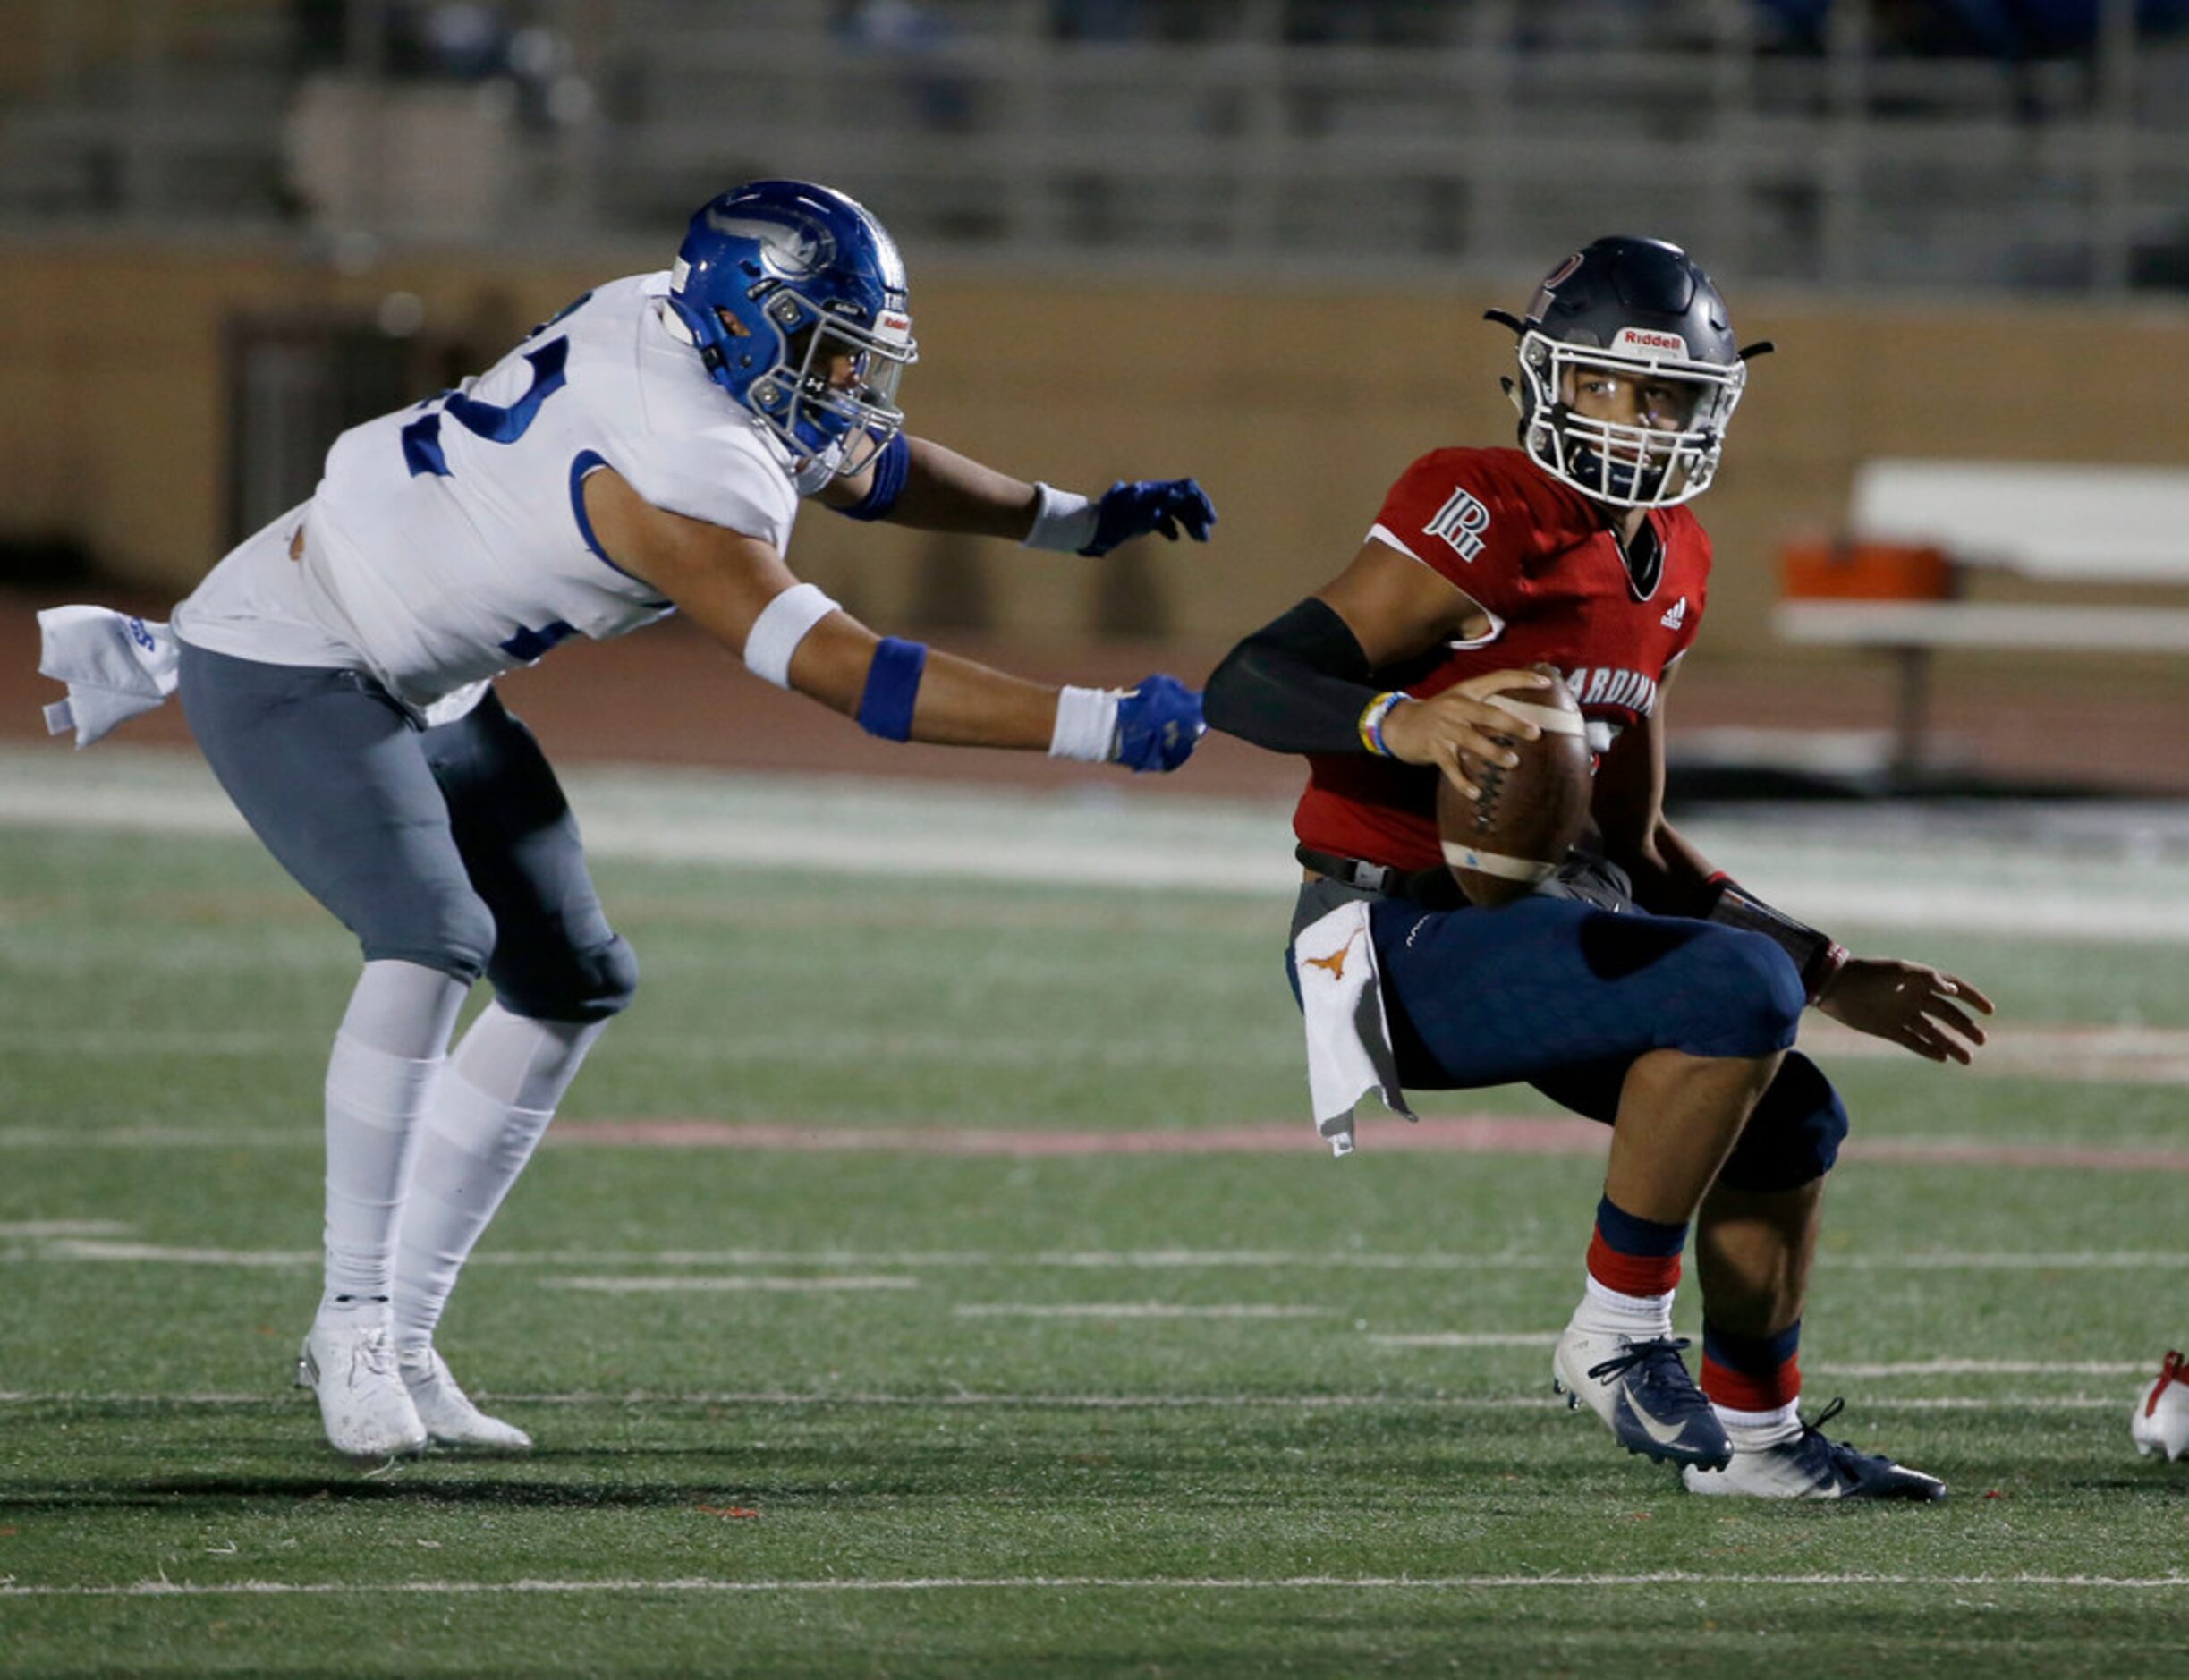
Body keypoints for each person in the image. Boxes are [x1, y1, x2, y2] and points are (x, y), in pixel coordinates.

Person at [37, 179, 1215, 1460]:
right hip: (293, 653)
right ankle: (355, 1319)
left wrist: (1071, 519)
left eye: (853, 355)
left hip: (421, 671)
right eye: (826, 351)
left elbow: (868, 465)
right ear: (746, 322)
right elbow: (849, 674)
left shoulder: (675, 323)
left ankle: (410, 1334)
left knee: (570, 978)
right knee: (430, 935)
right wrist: (1092, 723)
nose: (845, 385)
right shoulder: (681, 458)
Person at [1203, 235, 1991, 1500]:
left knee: (1789, 1110)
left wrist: (1828, 966)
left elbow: (1633, 847)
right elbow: (1241, 679)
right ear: (1545, 382)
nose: (1646, 417)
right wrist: (1397, 721)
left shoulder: (1677, 558)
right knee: (1732, 993)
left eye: (1674, 393)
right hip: (1375, 941)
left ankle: (1758, 1444)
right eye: (1618, 385)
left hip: (1524, 926)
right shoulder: (1479, 502)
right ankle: (1616, 1332)